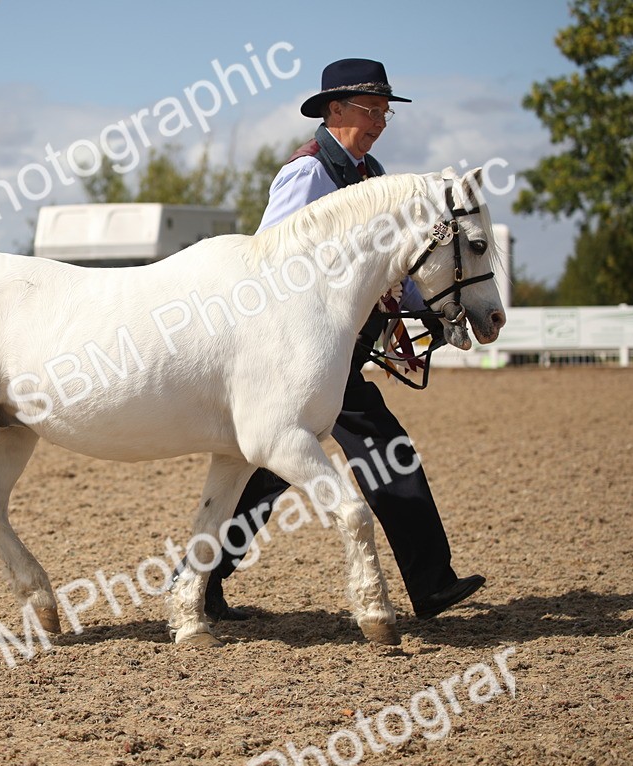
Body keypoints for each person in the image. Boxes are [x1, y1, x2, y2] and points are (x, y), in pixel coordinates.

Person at [201, 58, 485, 624]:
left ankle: (204, 579)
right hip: (298, 354)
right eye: (370, 110)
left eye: (385, 112)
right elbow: (270, 261)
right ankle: (430, 583)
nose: (380, 121)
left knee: (266, 474)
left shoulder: (370, 175)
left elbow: (390, 267)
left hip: (334, 351)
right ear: (335, 109)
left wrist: (427, 305)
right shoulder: (308, 173)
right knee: (384, 452)